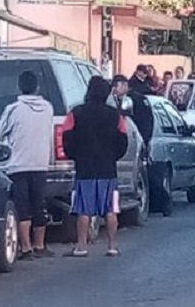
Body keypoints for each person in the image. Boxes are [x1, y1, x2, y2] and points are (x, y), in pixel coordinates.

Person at [61, 76, 129, 257]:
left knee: (83, 210)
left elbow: (66, 139)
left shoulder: (75, 113)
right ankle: (112, 246)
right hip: (108, 170)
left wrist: (75, 155)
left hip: (85, 170)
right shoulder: (116, 116)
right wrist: (113, 156)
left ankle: (81, 246)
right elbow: (123, 141)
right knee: (111, 209)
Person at [0, 71, 55, 260]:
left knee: (23, 207)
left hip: (18, 164)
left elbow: (2, 133)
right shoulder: (48, 108)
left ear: (19, 87)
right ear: (37, 87)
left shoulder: (13, 109)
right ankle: (40, 245)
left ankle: (26, 248)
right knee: (39, 204)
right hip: (40, 163)